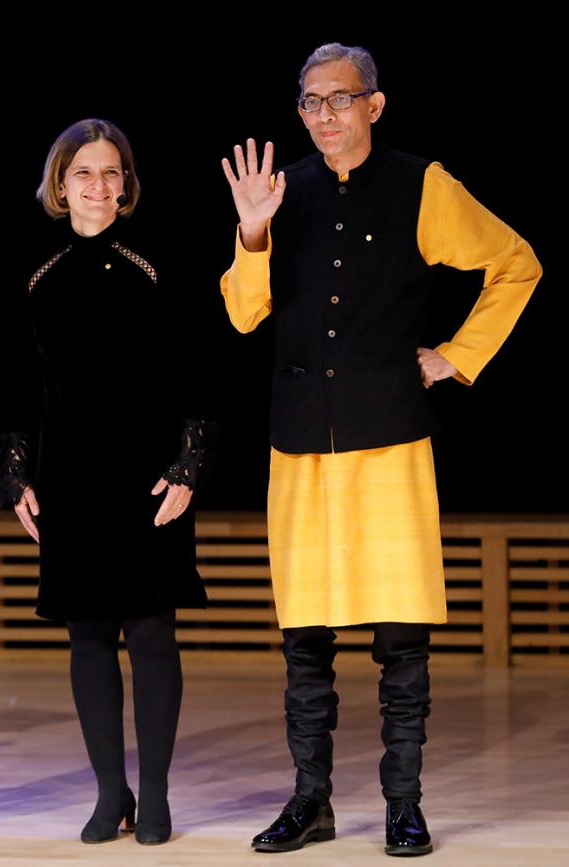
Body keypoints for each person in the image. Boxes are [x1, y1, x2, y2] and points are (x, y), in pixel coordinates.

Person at [220, 43, 540, 856]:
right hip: (300, 441)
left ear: (375, 105)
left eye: (339, 98)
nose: (323, 114)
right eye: (309, 102)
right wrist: (252, 233)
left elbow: (514, 262)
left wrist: (458, 355)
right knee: (307, 638)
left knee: (401, 636)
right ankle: (311, 801)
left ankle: (404, 803)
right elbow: (242, 315)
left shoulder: (422, 185)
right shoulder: (277, 192)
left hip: (391, 439)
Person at [0, 119, 208, 846]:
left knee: (151, 633)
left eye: (113, 172)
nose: (100, 186)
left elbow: (196, 370)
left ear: (128, 184)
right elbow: (15, 379)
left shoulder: (157, 259)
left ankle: (153, 794)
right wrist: (16, 471)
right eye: (85, 173)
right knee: (88, 636)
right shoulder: (32, 264)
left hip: (148, 478)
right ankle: (108, 790)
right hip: (69, 479)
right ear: (61, 184)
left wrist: (189, 463)